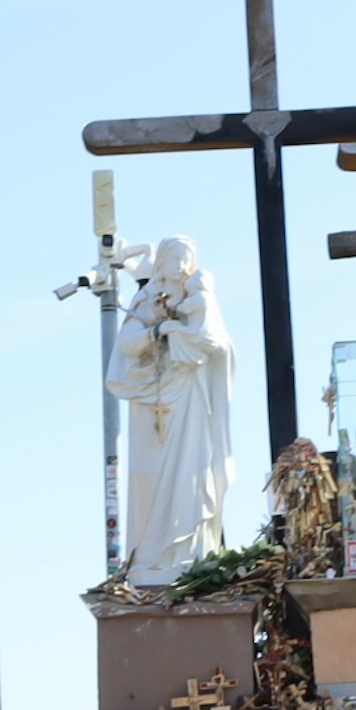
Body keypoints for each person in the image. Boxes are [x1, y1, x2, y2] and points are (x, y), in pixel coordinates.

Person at [110, 235, 236, 588]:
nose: (180, 265)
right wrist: (157, 331)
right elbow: (128, 344)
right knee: (146, 476)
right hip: (150, 400)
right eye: (175, 257)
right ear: (162, 260)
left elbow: (219, 345)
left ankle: (189, 553)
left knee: (192, 472)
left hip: (190, 397)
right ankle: (149, 557)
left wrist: (194, 339)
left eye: (186, 258)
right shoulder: (145, 299)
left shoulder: (201, 299)